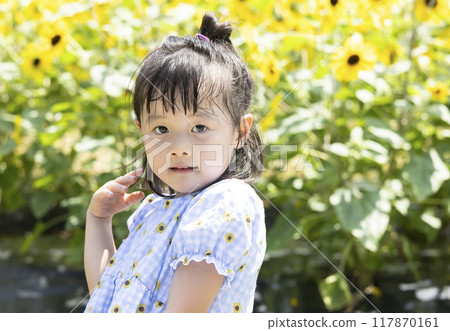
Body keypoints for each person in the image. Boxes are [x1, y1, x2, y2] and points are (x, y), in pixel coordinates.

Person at [83, 11, 266, 313]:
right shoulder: (157, 207)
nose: (179, 148)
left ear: (239, 132)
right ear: (141, 130)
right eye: (162, 129)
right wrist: (99, 220)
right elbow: (107, 299)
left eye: (199, 128)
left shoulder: (224, 203)